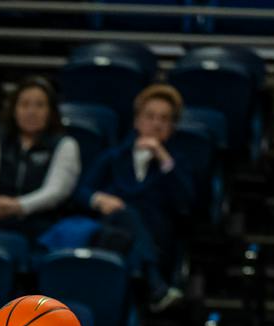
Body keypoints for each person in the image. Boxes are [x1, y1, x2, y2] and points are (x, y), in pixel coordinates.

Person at [79, 84, 194, 310]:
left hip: (156, 239)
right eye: (150, 116)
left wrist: (163, 158)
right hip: (111, 232)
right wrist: (99, 200)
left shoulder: (176, 163)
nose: (156, 123)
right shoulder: (114, 157)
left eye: (164, 119)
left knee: (128, 223)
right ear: (137, 121)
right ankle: (157, 287)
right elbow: (81, 191)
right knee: (123, 216)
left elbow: (185, 203)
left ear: (172, 127)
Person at [0, 78, 81, 241]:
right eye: (24, 104)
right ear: (14, 109)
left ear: (51, 111)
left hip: (42, 222)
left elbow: (56, 192)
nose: (31, 111)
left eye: (39, 105)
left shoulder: (65, 145)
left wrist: (18, 206)